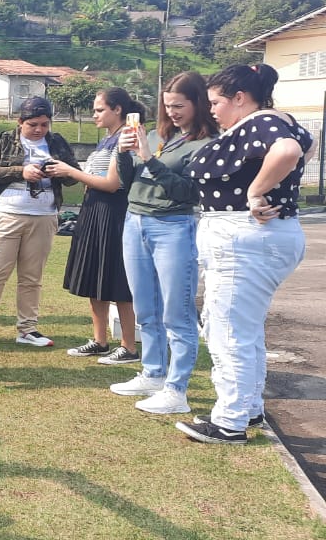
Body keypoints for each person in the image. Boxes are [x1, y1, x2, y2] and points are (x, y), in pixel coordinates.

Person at [176, 64, 312, 445]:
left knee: (228, 330)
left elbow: (288, 151)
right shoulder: (279, 120)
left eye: (216, 101)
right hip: (256, 236)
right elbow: (303, 148)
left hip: (244, 236)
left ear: (240, 98)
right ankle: (247, 407)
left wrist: (256, 191)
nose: (211, 109)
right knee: (243, 329)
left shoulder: (262, 121)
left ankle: (229, 421)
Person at [107, 72, 218, 415]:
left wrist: (150, 159)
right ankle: (153, 373)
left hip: (174, 226)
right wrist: (125, 154)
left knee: (177, 312)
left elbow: (189, 193)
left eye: (179, 106)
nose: (172, 112)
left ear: (198, 103)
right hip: (135, 222)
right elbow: (128, 182)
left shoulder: (207, 143)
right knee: (146, 308)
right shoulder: (156, 135)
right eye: (167, 105)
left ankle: (177, 389)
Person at [0, 96, 79, 349]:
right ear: (20, 122)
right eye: (33, 124)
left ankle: (28, 329)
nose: (39, 130)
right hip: (6, 213)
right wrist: (21, 171)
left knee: (32, 277)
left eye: (44, 124)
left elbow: (73, 176)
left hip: (44, 215)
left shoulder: (56, 143)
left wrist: (59, 170)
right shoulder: (4, 140)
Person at [46, 88, 141, 365]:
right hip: (93, 211)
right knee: (94, 276)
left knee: (118, 280)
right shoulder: (106, 139)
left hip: (114, 213)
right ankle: (100, 340)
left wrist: (70, 171)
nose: (94, 115)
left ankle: (128, 346)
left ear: (118, 109)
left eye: (100, 110)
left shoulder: (125, 137)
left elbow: (113, 184)